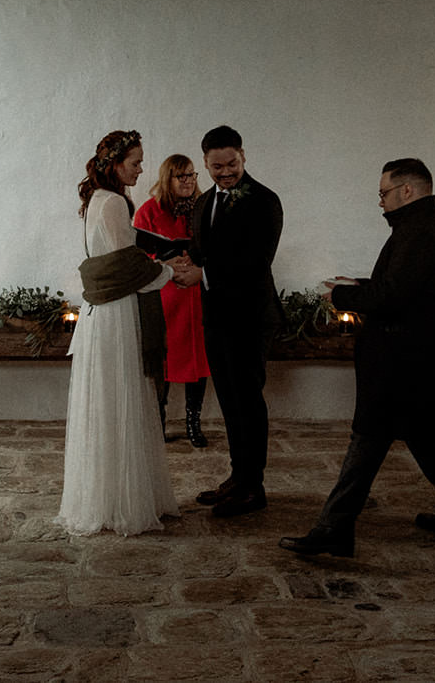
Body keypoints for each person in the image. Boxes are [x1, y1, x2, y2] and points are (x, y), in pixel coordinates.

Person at [278, 158, 435, 559]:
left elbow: (394, 298)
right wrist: (358, 285)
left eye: (383, 193)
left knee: (366, 442)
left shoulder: (421, 231)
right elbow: (404, 287)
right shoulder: (425, 225)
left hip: (405, 360)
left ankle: (334, 528)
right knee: (422, 437)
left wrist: (341, 296)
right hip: (416, 357)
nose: (380, 203)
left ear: (408, 190)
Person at [58, 129, 182, 536]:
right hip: (115, 315)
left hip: (103, 312)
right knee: (120, 399)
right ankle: (122, 502)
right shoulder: (112, 202)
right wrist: (168, 271)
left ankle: (107, 495)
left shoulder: (97, 200)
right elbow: (125, 266)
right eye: (135, 162)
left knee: (110, 400)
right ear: (114, 164)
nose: (141, 168)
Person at [188, 125, 284, 518]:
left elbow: (255, 261)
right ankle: (238, 475)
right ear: (205, 163)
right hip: (216, 319)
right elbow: (202, 249)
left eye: (231, 164)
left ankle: (253, 486)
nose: (224, 172)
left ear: (243, 156)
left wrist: (203, 274)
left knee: (248, 401)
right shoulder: (203, 201)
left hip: (249, 318)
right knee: (228, 400)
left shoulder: (264, 201)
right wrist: (185, 262)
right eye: (216, 166)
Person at [133, 153, 210, 448]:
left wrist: (196, 256)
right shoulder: (149, 211)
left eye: (192, 175)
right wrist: (164, 258)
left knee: (197, 361)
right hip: (165, 296)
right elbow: (138, 253)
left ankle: (193, 422)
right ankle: (158, 421)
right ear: (169, 179)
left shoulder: (203, 207)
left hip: (196, 294)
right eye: (182, 176)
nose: (189, 181)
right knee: (161, 361)